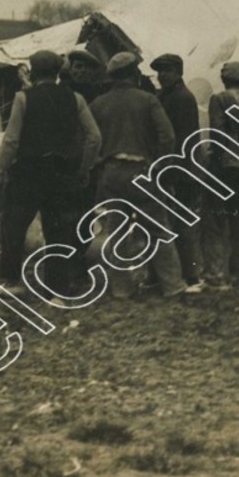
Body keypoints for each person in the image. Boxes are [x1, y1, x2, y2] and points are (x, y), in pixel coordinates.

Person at [0, 49, 100, 291]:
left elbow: (11, 141)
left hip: (28, 172)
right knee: (59, 230)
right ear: (57, 72)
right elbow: (94, 138)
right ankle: (57, 290)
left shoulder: (23, 98)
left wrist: (0, 172)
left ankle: (12, 281)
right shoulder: (76, 99)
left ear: (33, 71)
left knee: (14, 225)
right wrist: (83, 168)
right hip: (62, 173)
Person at [87, 51, 191, 298]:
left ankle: (121, 289)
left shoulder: (99, 104)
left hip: (111, 173)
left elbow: (88, 138)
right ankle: (172, 286)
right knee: (159, 229)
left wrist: (99, 162)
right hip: (142, 171)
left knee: (116, 233)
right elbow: (168, 137)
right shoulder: (148, 100)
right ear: (134, 73)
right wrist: (157, 163)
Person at [202, 61, 239, 291]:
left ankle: (214, 277)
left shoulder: (220, 99)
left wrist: (213, 164)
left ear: (224, 78)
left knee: (213, 223)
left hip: (224, 170)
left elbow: (217, 136)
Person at [149, 53, 203, 286]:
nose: (162, 76)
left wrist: (169, 168)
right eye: (160, 72)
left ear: (179, 73)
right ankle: (180, 274)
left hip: (181, 170)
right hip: (177, 169)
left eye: (167, 71)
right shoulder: (168, 96)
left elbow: (181, 139)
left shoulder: (181, 98)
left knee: (182, 225)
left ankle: (190, 276)